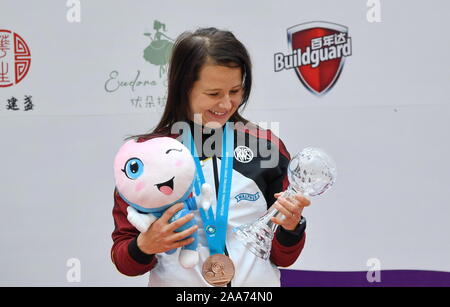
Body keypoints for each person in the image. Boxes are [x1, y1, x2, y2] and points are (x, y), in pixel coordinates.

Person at [111, 27, 311, 287]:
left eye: (236, 91)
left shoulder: (266, 147)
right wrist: (144, 246)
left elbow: (284, 257)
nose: (226, 104)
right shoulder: (145, 155)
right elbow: (123, 259)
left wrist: (291, 228)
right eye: (213, 94)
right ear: (183, 88)